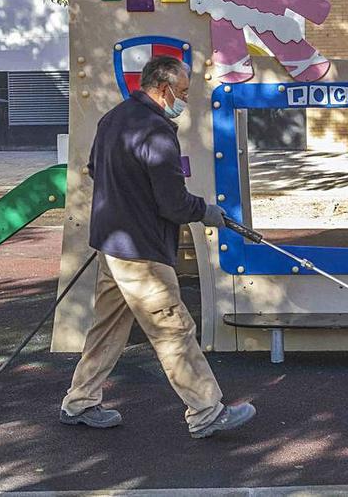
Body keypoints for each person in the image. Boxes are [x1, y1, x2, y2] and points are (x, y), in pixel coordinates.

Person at [59, 55, 255, 438]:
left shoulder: (112, 119)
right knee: (173, 329)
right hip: (142, 252)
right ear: (163, 89)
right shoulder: (158, 133)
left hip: (111, 245)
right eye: (182, 92)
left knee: (107, 326)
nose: (184, 99)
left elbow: (97, 172)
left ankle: (79, 401)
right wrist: (207, 211)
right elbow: (173, 204)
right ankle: (205, 412)